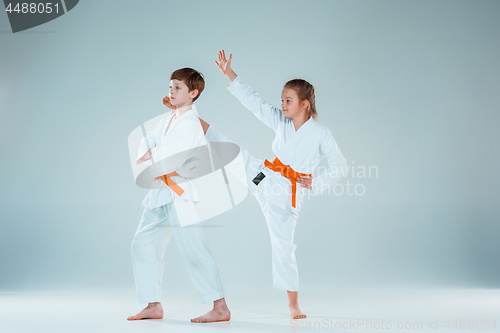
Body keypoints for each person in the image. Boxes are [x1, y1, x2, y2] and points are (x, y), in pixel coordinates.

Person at [213, 50, 348, 319]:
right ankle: (192, 124)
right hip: (263, 175)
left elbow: (340, 166)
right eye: (282, 100)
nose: (283, 105)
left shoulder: (320, 134)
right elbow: (254, 103)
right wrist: (229, 73)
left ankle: (293, 305)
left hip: (284, 196)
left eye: (288, 101)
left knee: (284, 247)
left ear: (305, 104)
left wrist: (316, 182)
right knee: (229, 150)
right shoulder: (281, 121)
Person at [127, 68, 231, 323]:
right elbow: (146, 142)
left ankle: (220, 307)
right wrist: (153, 151)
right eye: (170, 86)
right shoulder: (168, 119)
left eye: (178, 88)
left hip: (179, 192)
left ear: (193, 93)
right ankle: (153, 304)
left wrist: (154, 151)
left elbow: (169, 156)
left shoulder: (191, 123)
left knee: (194, 248)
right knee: (142, 243)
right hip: (160, 191)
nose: (171, 92)